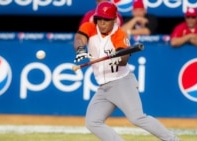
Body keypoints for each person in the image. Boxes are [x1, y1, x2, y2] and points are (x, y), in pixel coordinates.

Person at [73, 1, 179, 141]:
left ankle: (172, 139)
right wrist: (80, 49)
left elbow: (123, 58)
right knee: (92, 122)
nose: (102, 22)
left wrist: (116, 58)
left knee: (137, 118)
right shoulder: (90, 27)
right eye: (100, 18)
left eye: (107, 19)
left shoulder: (119, 34)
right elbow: (79, 38)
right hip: (104, 87)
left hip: (121, 83)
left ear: (114, 20)